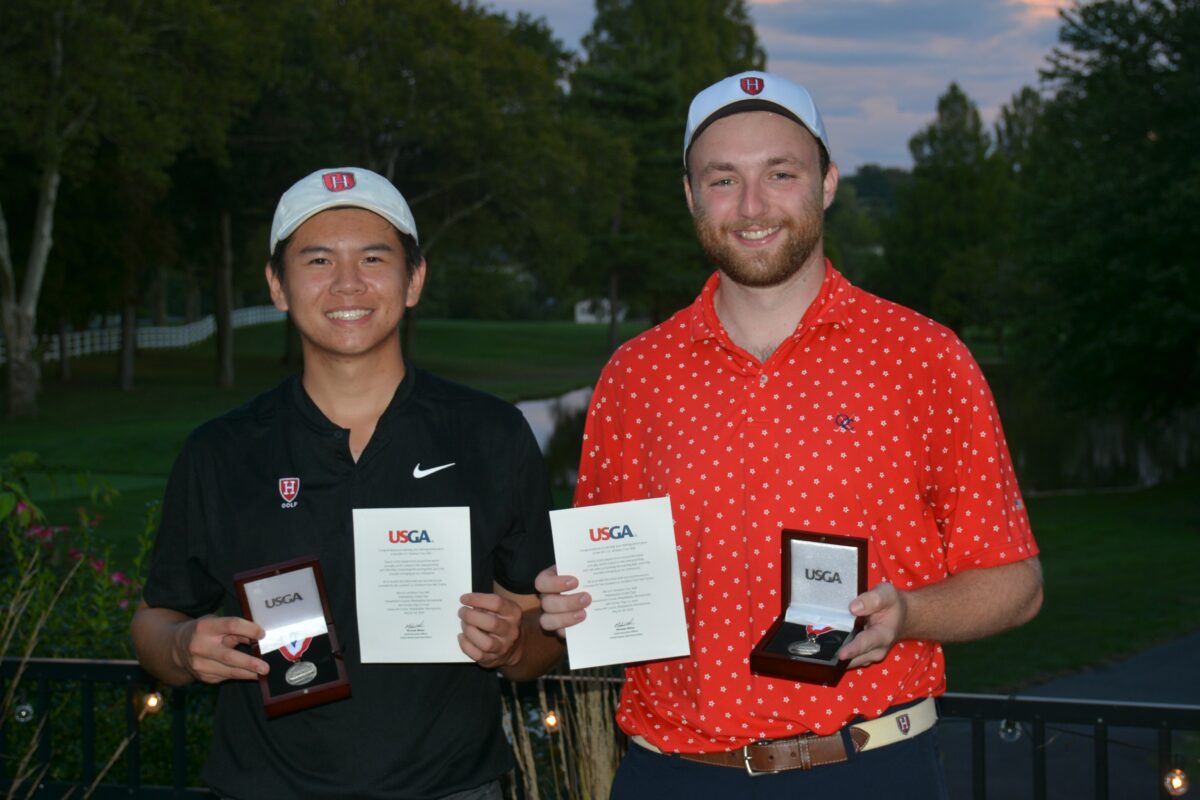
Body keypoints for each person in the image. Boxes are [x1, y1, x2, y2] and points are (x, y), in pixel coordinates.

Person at [537, 71, 1043, 798]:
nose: (751, 206)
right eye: (722, 180)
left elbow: (1016, 583)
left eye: (781, 173)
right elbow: (614, 587)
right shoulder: (636, 375)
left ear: (827, 182)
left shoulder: (923, 358)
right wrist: (571, 608)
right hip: (674, 775)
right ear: (689, 195)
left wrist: (908, 615)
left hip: (867, 768)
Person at [131, 167, 563, 800]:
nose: (347, 284)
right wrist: (180, 648)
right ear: (277, 285)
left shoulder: (491, 433)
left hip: (452, 788)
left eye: (372, 257)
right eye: (317, 260)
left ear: (414, 279)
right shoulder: (220, 451)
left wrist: (511, 646)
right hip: (264, 789)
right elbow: (155, 617)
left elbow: (543, 628)